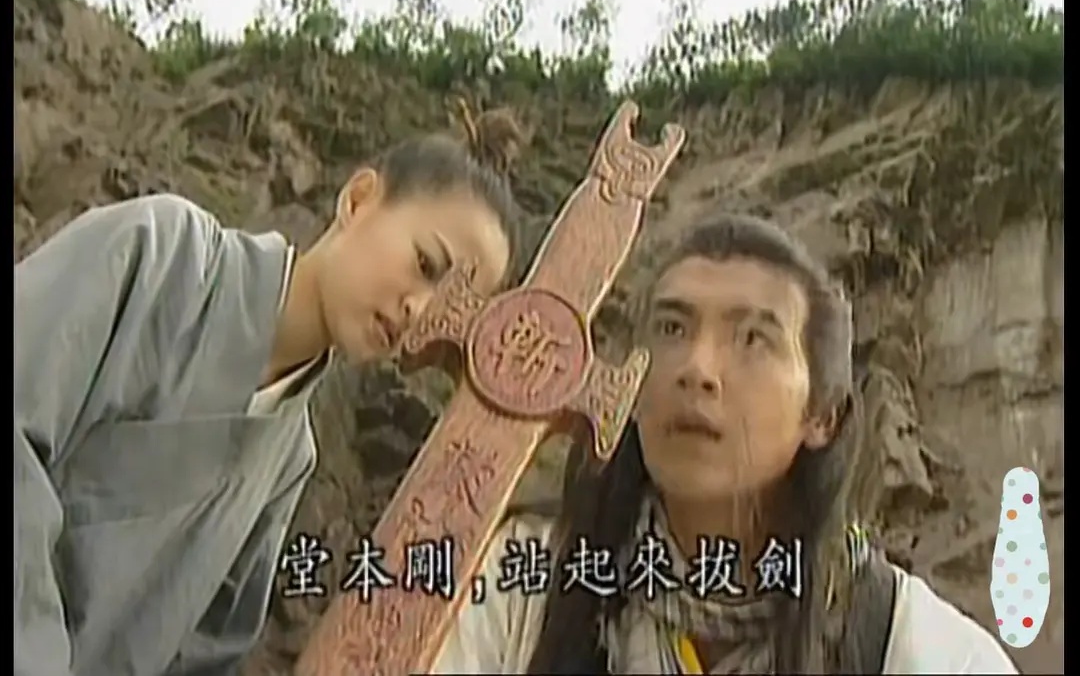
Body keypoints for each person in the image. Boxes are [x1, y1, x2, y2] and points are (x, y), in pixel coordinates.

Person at [14, 109, 526, 676]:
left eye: (449, 309)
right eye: (426, 263)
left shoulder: (289, 462)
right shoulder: (159, 254)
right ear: (358, 199)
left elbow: (206, 651)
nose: (419, 311)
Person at [433, 212, 1017, 674]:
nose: (697, 368)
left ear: (823, 416)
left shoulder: (925, 651)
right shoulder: (518, 587)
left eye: (753, 339)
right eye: (672, 328)